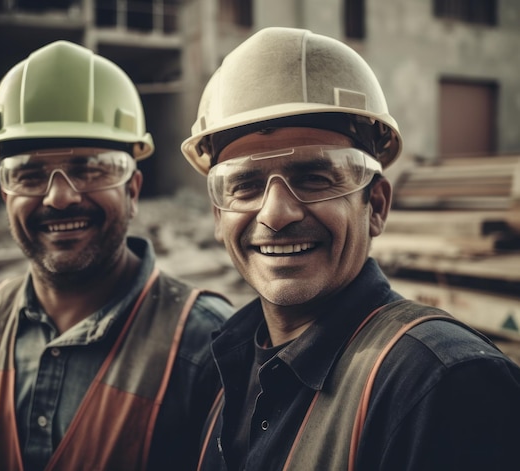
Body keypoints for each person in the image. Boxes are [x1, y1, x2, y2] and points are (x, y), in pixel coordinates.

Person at [180, 27, 520, 470]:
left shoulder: (445, 387)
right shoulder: (226, 362)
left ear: (375, 205)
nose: (275, 214)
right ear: (217, 217)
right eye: (244, 185)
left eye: (314, 178)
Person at [0, 40, 233, 471]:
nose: (60, 197)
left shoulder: (206, 344)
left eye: (90, 168)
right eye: (29, 173)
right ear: (6, 194)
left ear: (133, 190)